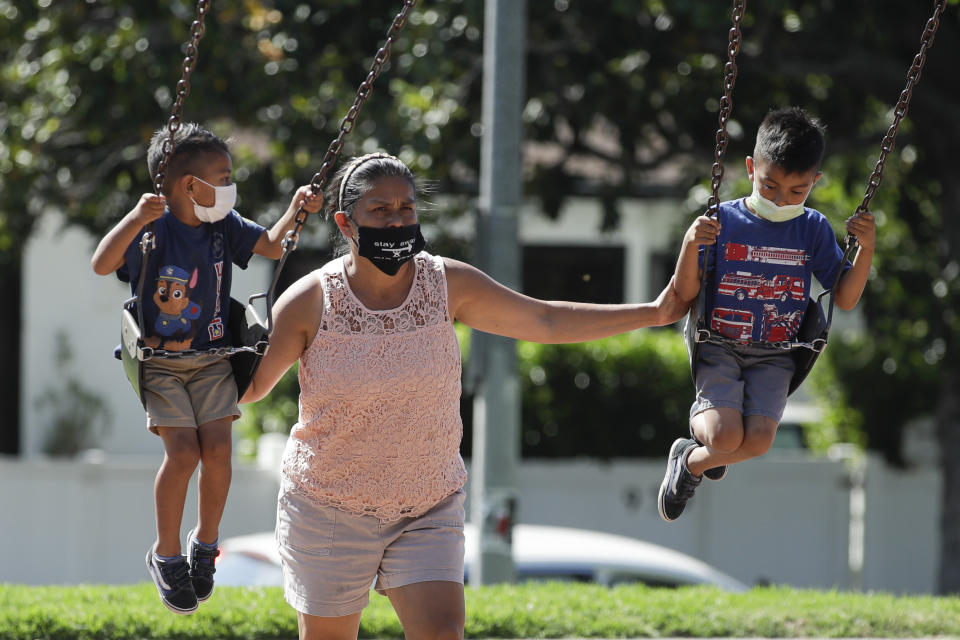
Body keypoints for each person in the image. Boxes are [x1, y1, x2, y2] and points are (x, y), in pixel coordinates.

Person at [239, 152, 690, 640]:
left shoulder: (446, 283)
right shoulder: (310, 301)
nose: (397, 220)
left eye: (406, 209)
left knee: (443, 632)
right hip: (328, 504)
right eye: (381, 211)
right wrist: (179, 359)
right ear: (346, 222)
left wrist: (654, 311)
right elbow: (253, 388)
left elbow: (544, 319)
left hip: (427, 503)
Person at [90, 122, 322, 615]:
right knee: (183, 454)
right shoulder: (150, 229)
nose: (230, 185)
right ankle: (167, 553)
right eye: (223, 176)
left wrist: (295, 210)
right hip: (163, 364)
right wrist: (134, 217)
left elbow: (274, 246)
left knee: (217, 450)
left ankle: (205, 542)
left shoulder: (225, 225)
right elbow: (101, 263)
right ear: (188, 185)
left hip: (216, 358)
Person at [657, 107, 876, 522]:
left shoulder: (812, 228)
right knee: (725, 436)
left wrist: (866, 249)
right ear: (750, 168)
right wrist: (691, 242)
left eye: (796, 192)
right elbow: (685, 294)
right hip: (719, 344)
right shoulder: (723, 221)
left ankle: (690, 463)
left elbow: (844, 298)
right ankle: (704, 442)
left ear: (815, 182)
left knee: (756, 442)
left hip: (776, 353)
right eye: (769, 185)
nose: (780, 200)